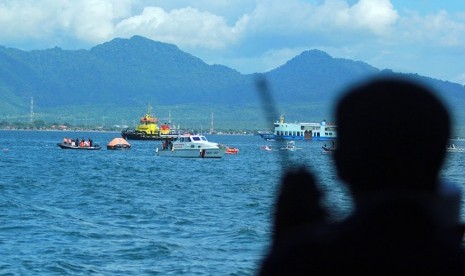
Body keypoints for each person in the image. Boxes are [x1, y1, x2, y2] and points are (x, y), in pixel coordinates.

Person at [258, 76, 465, 275]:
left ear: (339, 162)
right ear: (441, 158)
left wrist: (287, 241)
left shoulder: (302, 261)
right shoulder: (450, 261)